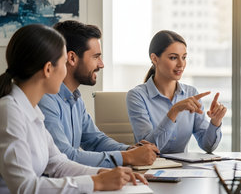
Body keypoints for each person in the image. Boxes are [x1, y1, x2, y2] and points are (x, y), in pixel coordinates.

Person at [0, 24, 147, 194]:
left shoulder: (32, 111)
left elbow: (58, 163)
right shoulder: (10, 112)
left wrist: (102, 174)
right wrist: (95, 182)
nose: (65, 72)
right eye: (63, 63)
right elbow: (24, 187)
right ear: (48, 69)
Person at [38, 20, 159, 168]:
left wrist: (130, 150)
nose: (101, 64)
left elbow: (95, 140)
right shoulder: (45, 100)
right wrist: (126, 157)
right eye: (96, 57)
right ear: (72, 58)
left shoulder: (75, 98)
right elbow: (65, 156)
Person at [127, 30, 227, 153]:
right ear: (154, 59)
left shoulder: (191, 93)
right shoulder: (137, 96)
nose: (181, 64)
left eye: (184, 57)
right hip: (151, 169)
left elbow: (207, 146)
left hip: (182, 170)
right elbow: (148, 149)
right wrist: (174, 111)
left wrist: (215, 122)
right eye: (173, 58)